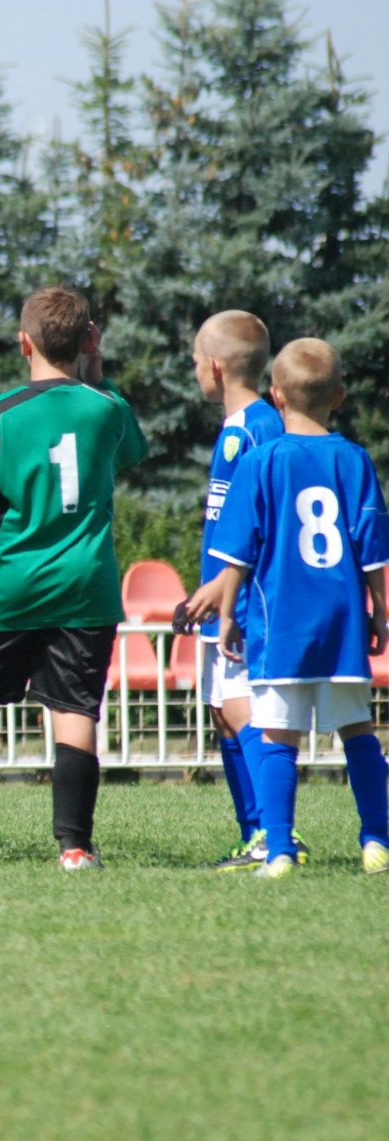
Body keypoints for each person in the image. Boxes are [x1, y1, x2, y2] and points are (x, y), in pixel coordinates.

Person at [0, 286, 145, 870]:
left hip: (9, 587)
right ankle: (74, 847)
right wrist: (99, 374)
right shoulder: (105, 410)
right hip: (84, 589)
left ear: (24, 342)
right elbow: (133, 448)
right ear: (88, 339)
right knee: (75, 712)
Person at [189, 338, 389, 878]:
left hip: (281, 625)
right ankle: (376, 840)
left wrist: (227, 616)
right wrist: (380, 610)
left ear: (275, 396)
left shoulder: (260, 461)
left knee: (277, 736)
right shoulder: (354, 460)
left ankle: (277, 850)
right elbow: (370, 547)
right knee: (358, 731)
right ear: (340, 396)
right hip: (341, 622)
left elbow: (236, 554)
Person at [181, 311, 288, 870]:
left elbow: (259, 528)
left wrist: (223, 591)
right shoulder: (240, 427)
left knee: (243, 711)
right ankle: (254, 833)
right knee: (224, 711)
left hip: (244, 605)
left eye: (197, 360)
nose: (194, 368)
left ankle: (274, 833)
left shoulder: (256, 430)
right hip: (222, 599)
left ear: (216, 368)